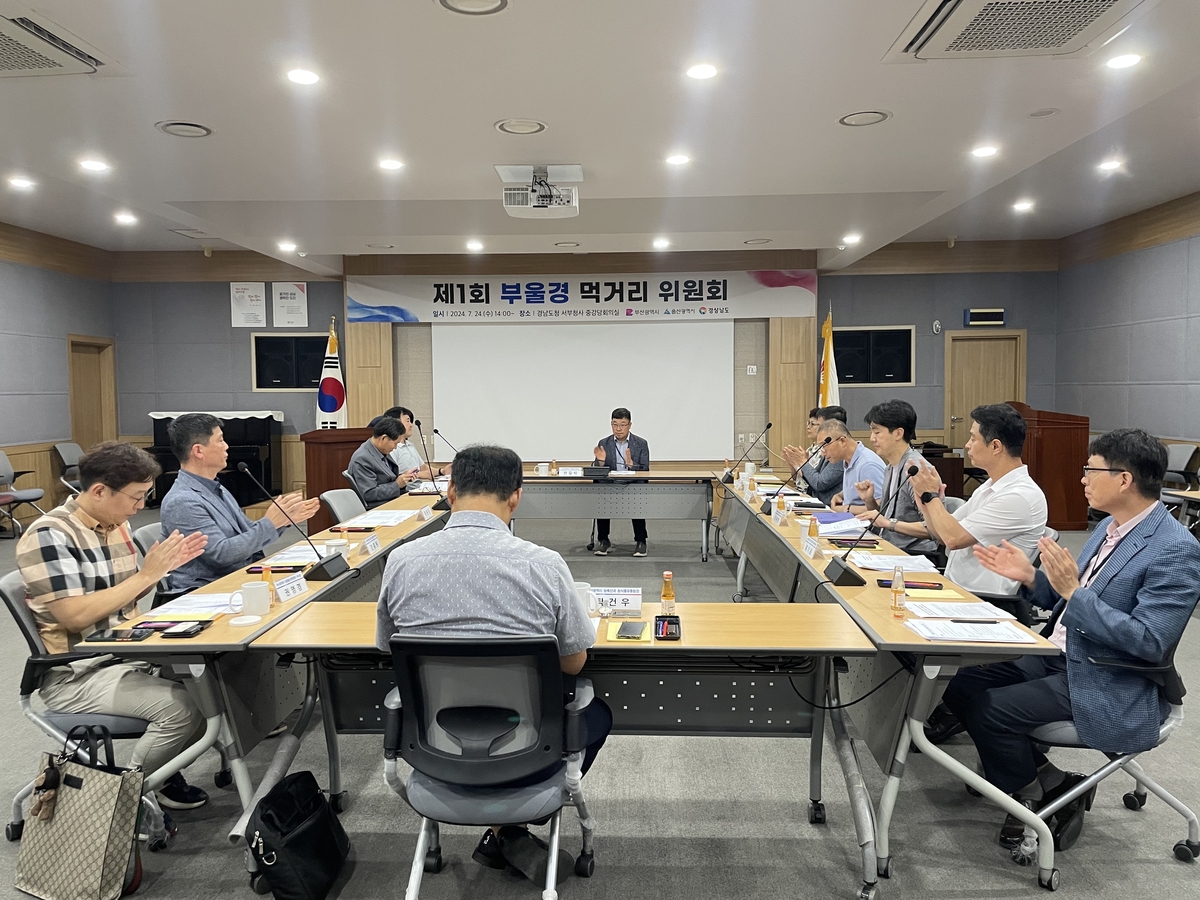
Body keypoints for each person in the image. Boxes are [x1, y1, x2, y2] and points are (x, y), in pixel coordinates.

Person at [937, 429, 1200, 856]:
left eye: (1090, 470)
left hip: (1109, 674)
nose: (1082, 479)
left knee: (992, 709)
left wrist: (1073, 592)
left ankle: (1030, 799)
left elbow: (1150, 641)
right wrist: (1031, 578)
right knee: (958, 680)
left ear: (1124, 480)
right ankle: (1056, 787)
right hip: (1060, 653)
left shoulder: (1174, 549)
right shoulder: (1109, 528)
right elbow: (1065, 599)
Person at [375, 443, 611, 885]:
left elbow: (389, 648)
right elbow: (575, 664)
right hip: (527, 748)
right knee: (594, 712)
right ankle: (509, 823)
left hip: (434, 748)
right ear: (516, 496)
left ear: (450, 491)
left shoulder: (401, 561)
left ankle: (503, 829)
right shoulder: (544, 565)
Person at [16, 442, 212, 819]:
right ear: (99, 491)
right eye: (136, 497)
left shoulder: (116, 525)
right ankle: (126, 802)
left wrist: (163, 571)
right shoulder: (49, 535)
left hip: (125, 650)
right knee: (183, 708)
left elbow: (124, 602)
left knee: (215, 678)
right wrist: (147, 574)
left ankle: (161, 776)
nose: (140, 507)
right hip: (77, 674)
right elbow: (74, 616)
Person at [160, 413, 321, 593]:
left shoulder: (215, 487)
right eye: (220, 440)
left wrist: (284, 519)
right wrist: (271, 523)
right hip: (208, 590)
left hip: (239, 579)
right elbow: (222, 554)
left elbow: (244, 531)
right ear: (198, 451)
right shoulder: (182, 502)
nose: (226, 446)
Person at [910, 403, 1047, 595]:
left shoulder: (1019, 496)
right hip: (956, 588)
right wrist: (924, 502)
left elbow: (953, 539)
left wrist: (931, 496)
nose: (967, 444)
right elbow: (941, 535)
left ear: (996, 446)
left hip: (984, 601)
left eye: (973, 438)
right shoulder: (990, 485)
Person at [853, 400, 937, 555]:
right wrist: (869, 501)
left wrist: (888, 523)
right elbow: (882, 520)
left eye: (877, 432)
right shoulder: (891, 467)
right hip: (889, 547)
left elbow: (934, 529)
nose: (872, 438)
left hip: (914, 554)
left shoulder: (917, 471)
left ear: (898, 433)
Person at [591, 407, 650, 557]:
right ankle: (603, 540)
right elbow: (595, 469)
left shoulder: (641, 443)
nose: (618, 429)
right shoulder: (604, 442)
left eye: (622, 424)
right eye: (614, 424)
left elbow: (645, 469)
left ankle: (641, 541)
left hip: (632, 484)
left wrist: (631, 464)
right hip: (610, 484)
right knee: (601, 494)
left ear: (630, 425)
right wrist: (601, 462)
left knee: (637, 496)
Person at [347, 417, 418, 509]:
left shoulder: (380, 450)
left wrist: (404, 477)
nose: (395, 448)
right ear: (384, 438)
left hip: (392, 501)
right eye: (395, 443)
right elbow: (369, 493)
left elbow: (388, 478)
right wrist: (397, 484)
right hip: (379, 507)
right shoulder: (362, 458)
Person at [782, 406, 847, 507]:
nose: (809, 427)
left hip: (828, 508)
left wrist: (802, 462)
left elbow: (819, 483)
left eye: (817, 425)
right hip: (814, 502)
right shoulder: (823, 448)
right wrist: (794, 464)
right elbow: (810, 479)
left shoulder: (840, 454)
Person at [815, 419, 884, 511]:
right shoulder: (848, 460)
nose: (822, 453)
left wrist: (847, 509)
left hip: (863, 524)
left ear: (842, 441)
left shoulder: (867, 465)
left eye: (824, 446)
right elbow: (859, 488)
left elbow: (881, 508)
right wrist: (840, 495)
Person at [369, 406, 449, 480]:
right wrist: (419, 475)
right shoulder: (390, 448)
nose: (411, 425)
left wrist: (442, 471)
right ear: (395, 422)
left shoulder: (410, 445)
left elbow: (423, 468)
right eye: (408, 421)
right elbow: (391, 477)